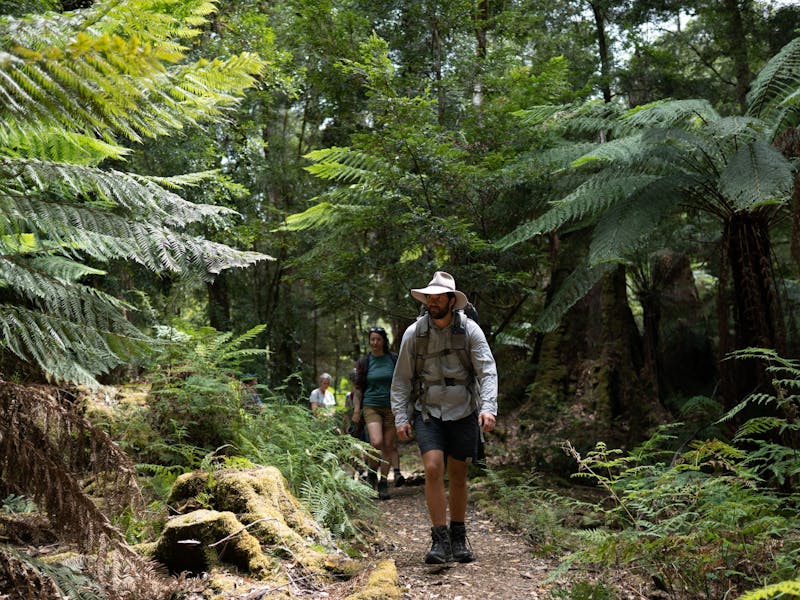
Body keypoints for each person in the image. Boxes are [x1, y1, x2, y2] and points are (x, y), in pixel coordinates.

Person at [391, 271, 497, 564]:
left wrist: (488, 407)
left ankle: (459, 538)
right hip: (428, 412)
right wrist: (401, 416)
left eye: (439, 296)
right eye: (429, 296)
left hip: (463, 410)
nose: (433, 301)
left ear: (452, 301)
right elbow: (401, 379)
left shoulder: (470, 331)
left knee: (459, 474)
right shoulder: (414, 334)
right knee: (434, 467)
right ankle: (440, 540)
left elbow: (487, 370)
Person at [352, 326, 403, 500]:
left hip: (392, 407)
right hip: (371, 405)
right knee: (376, 442)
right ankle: (372, 474)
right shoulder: (364, 362)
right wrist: (357, 410)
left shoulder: (393, 359)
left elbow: (403, 382)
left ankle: (383, 483)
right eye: (372, 339)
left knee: (389, 445)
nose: (374, 342)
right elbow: (358, 389)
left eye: (378, 339)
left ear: (383, 341)